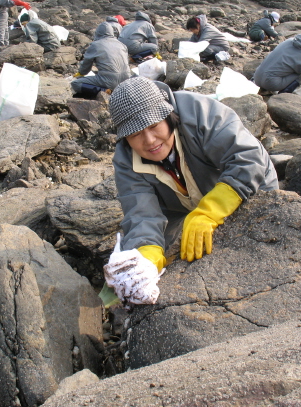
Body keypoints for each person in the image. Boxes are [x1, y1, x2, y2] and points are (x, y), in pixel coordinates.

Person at [104, 77, 278, 304]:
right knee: (143, 255)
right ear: (125, 138)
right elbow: (141, 214)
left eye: (154, 126)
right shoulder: (126, 161)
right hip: (179, 207)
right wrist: (147, 255)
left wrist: (208, 212)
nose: (149, 141)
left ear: (168, 115)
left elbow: (248, 159)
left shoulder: (202, 114)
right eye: (135, 134)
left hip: (245, 183)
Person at [72, 22, 133, 97]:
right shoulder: (121, 45)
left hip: (109, 81)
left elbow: (85, 67)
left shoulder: (95, 45)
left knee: (75, 84)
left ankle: (104, 91)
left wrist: (80, 73)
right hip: (126, 80)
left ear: (98, 33)